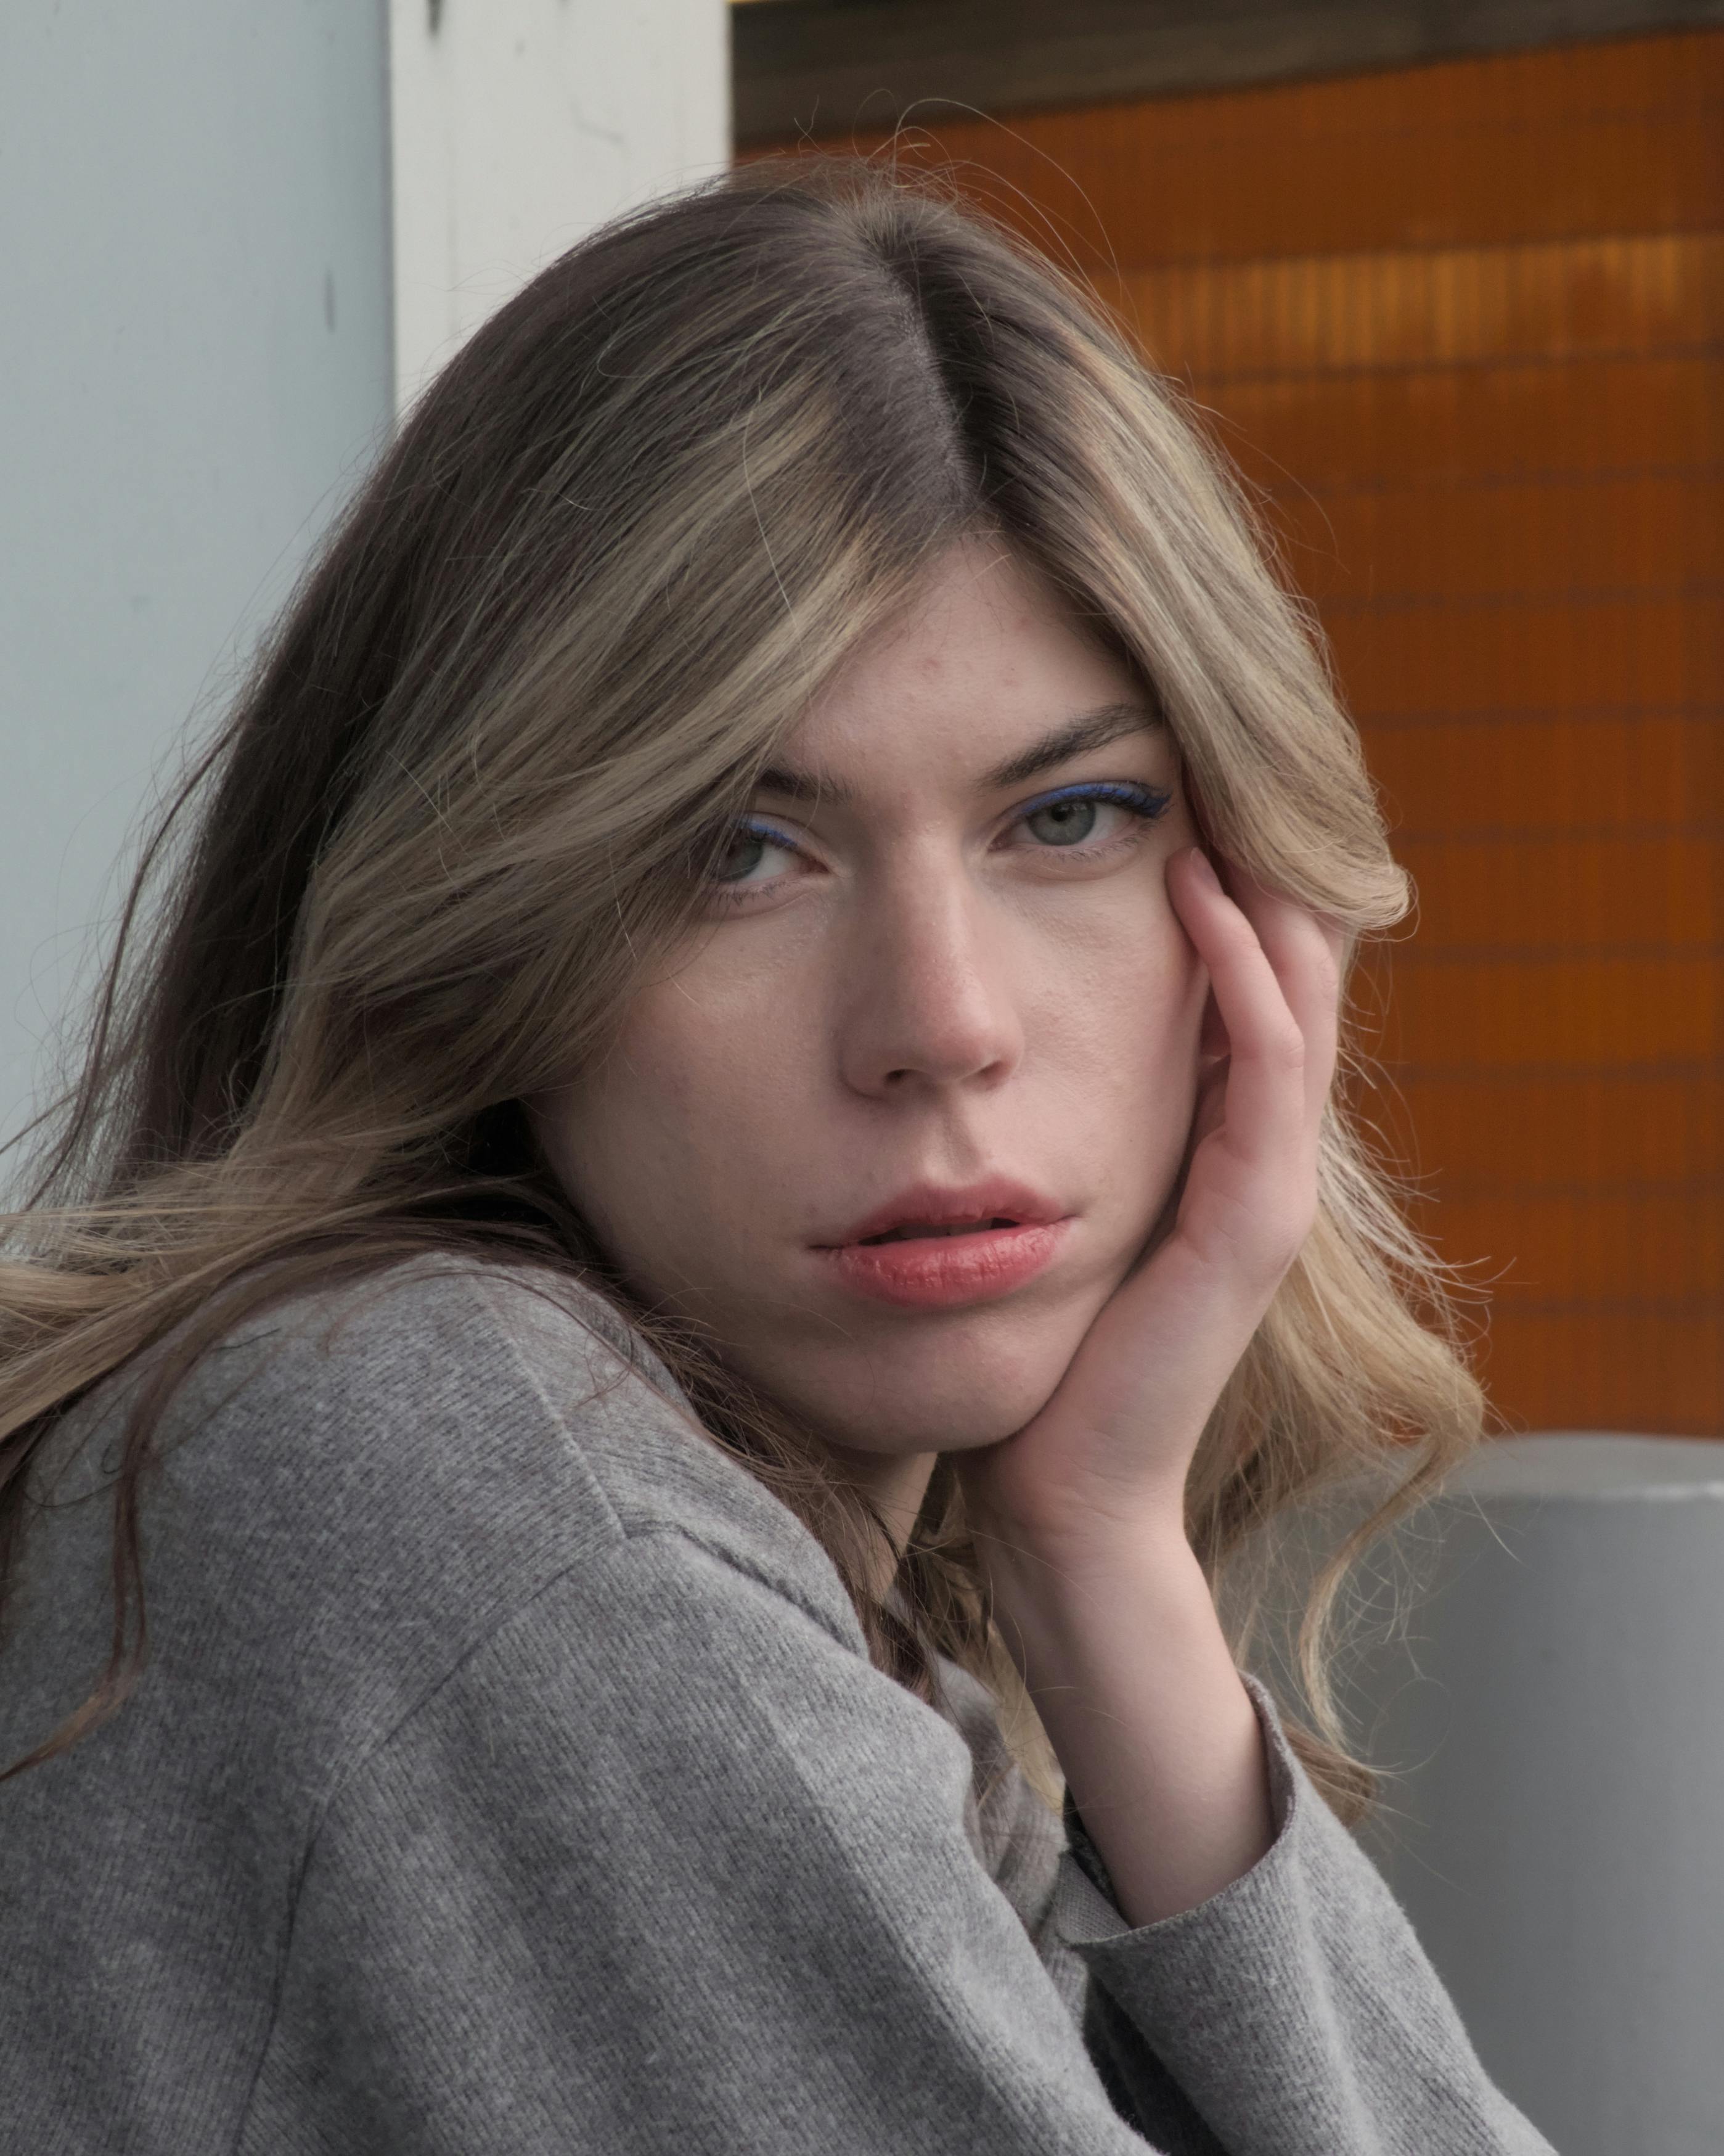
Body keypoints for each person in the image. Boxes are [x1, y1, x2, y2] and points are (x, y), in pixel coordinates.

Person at [0, 160, 1550, 2153]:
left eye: (1067, 818)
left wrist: (1102, 1560)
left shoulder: (820, 1617)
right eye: (736, 850)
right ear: (483, 925)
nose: (939, 1020)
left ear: (1257, 910)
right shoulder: (462, 1487)